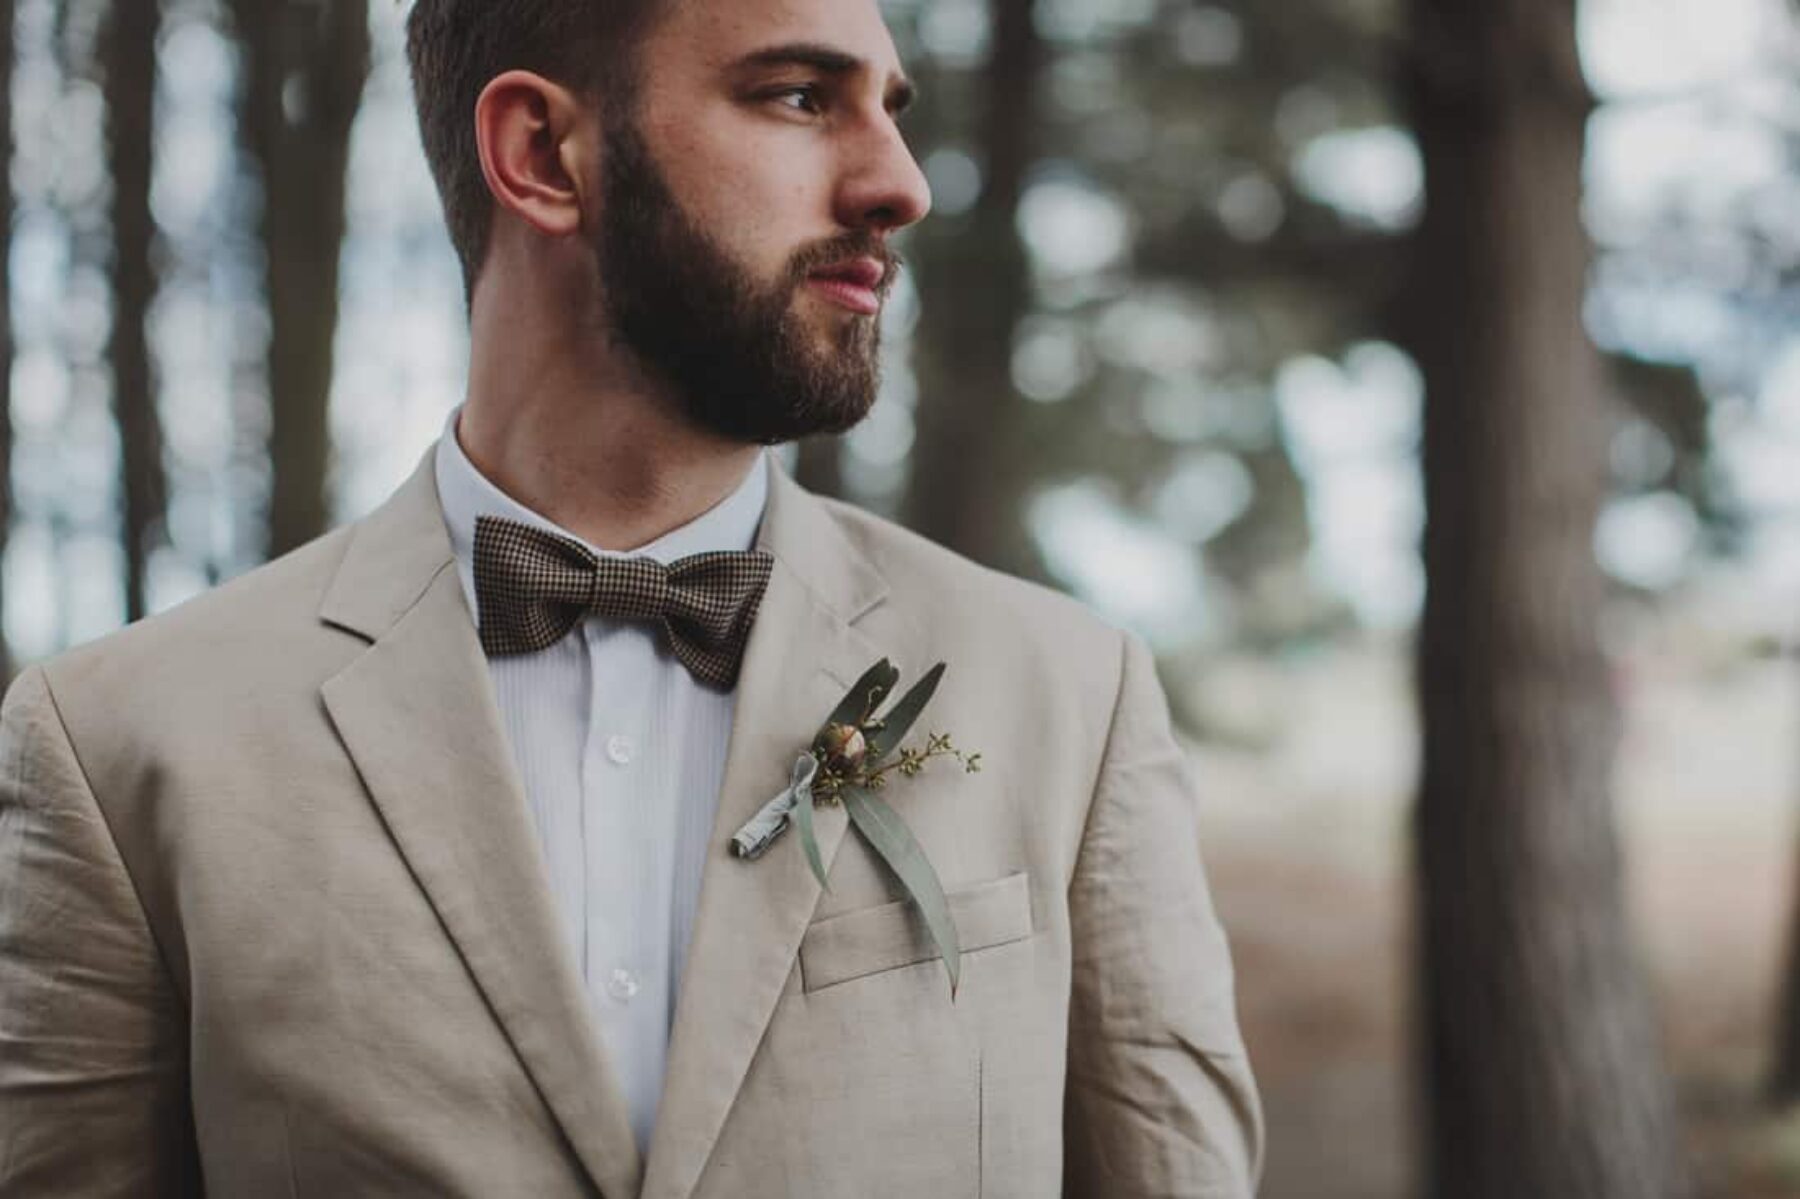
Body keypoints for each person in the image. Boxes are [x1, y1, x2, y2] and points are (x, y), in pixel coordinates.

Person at [0, 0, 1264, 1193]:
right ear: (542, 152)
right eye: (798, 96)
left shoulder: (1071, 695)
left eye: (891, 106)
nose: (900, 184)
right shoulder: (118, 745)